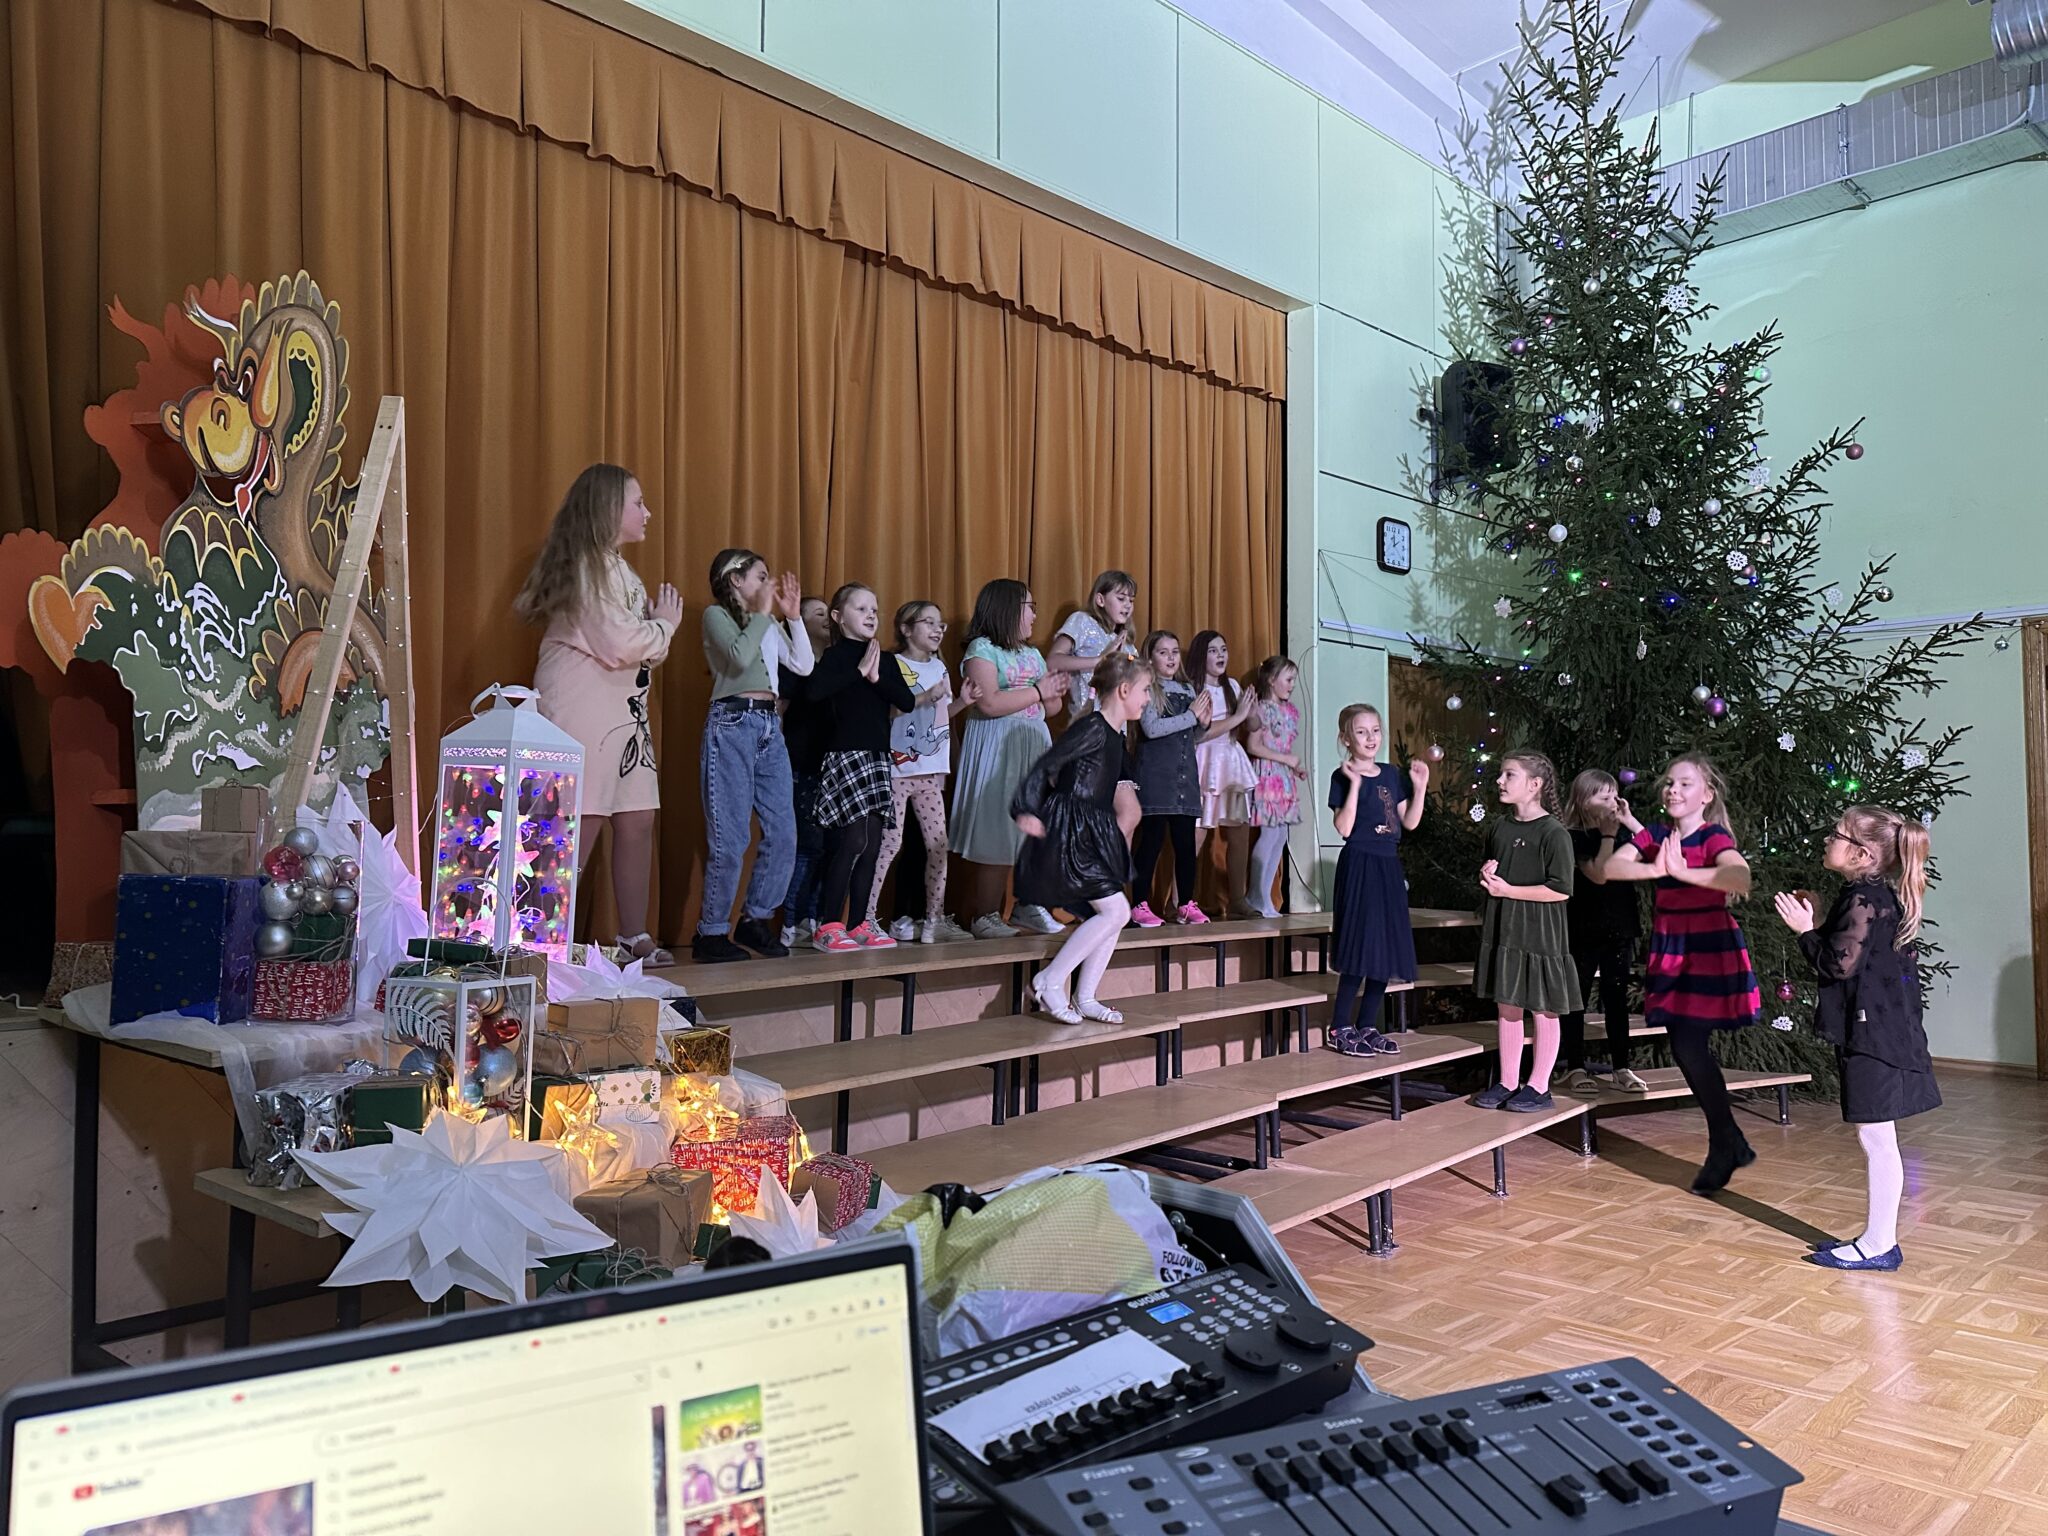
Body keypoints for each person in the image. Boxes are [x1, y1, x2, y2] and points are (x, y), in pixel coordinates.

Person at [516, 464, 684, 966]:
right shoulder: (586, 567)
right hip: (583, 704)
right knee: (580, 817)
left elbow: (642, 648)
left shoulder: (619, 569)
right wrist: (663, 626)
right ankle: (539, 936)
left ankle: (634, 935)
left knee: (637, 816)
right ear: (609, 509)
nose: (647, 513)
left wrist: (654, 633)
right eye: (638, 503)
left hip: (624, 713)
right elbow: (621, 643)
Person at [1777, 805, 1940, 1272]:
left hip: (1876, 1036)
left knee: (1877, 1138)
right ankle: (1877, 1238)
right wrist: (1818, 925)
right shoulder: (1866, 894)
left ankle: (1880, 1244)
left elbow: (1838, 964)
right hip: (1878, 1030)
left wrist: (1805, 932)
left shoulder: (1865, 898)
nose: (1828, 840)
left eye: (1836, 834)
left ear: (1862, 854)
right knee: (1876, 1137)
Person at [1603, 754, 1763, 1193]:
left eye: (1685, 784)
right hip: (1672, 947)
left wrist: (1684, 873)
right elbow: (1611, 868)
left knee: (1689, 1046)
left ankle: (1725, 1143)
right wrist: (1655, 868)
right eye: (1669, 783)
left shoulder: (1713, 836)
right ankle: (1728, 1140)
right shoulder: (1657, 835)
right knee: (1685, 1046)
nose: (1673, 790)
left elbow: (1739, 877)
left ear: (1707, 795)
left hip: (1706, 950)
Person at [1013, 653, 1151, 1023]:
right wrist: (1025, 808)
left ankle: (1085, 996)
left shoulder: (1113, 735)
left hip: (1090, 832)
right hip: (1070, 832)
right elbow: (1047, 763)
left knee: (1116, 913)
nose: (1148, 699)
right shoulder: (1093, 727)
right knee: (1116, 911)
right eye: (1145, 690)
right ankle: (1049, 980)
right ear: (1124, 690)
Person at [695, 548, 804, 962]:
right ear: (735, 579)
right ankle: (711, 932)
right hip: (732, 723)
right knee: (731, 836)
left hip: (769, 724)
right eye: (761, 576)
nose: (768, 584)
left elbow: (803, 665)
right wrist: (761, 614)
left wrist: (792, 618)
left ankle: (756, 918)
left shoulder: (766, 621)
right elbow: (739, 657)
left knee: (784, 832)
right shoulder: (716, 615)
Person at [805, 583, 917, 952]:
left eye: (874, 609)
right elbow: (814, 693)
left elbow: (906, 701)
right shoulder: (835, 657)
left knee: (872, 844)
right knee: (853, 840)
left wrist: (875, 677)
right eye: (861, 609)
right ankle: (828, 924)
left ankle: (859, 924)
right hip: (846, 756)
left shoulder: (884, 660)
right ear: (838, 617)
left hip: (877, 757)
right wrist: (857, 672)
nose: (871, 615)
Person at [1469, 752, 1582, 1109]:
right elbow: (1498, 873)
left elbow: (1561, 890)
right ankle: (1507, 1081)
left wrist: (1509, 891)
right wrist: (1487, 875)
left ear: (1534, 785)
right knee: (1508, 1004)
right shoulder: (1500, 828)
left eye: (1509, 775)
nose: (1499, 781)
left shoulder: (1554, 833)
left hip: (1541, 932)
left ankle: (1539, 1085)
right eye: (1501, 774)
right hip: (1506, 927)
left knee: (1543, 1008)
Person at [953, 579, 1065, 938]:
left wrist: (1048, 694)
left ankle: (1028, 904)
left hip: (1032, 743)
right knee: (999, 826)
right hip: (999, 744)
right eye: (1030, 607)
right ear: (1008, 609)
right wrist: (1038, 691)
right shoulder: (982, 649)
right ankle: (984, 914)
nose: (1034, 615)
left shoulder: (1032, 654)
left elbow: (1052, 706)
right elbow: (988, 702)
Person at [865, 599, 980, 944]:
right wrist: (926, 697)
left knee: (938, 844)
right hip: (898, 769)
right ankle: (865, 918)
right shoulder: (892, 664)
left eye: (940, 624)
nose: (937, 630)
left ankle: (934, 920)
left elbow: (940, 719)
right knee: (890, 843)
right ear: (905, 628)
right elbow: (887, 713)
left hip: (931, 770)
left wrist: (962, 703)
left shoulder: (940, 667)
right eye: (928, 622)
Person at [1326, 703, 1427, 1056]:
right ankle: (1340, 1026)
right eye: (1361, 731)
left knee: (1385, 946)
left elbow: (1409, 822)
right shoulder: (1342, 775)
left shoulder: (1391, 773)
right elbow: (1344, 828)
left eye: (1375, 730)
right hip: (1360, 862)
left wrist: (1420, 787)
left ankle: (1367, 1024)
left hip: (1388, 865)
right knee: (1361, 944)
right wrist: (1355, 785)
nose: (1370, 737)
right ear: (1346, 739)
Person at [1558, 769, 1650, 1095]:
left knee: (1616, 997)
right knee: (1577, 996)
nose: (1613, 801)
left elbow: (1656, 849)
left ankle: (1621, 1068)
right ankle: (1574, 1066)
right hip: (1584, 926)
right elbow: (1599, 874)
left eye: (1614, 795)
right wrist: (1608, 837)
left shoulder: (1622, 833)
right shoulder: (1574, 836)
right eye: (1604, 796)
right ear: (1584, 801)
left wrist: (1630, 821)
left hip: (1619, 926)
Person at [1129, 630, 1208, 927]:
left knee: (1186, 845)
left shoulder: (1187, 689)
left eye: (1175, 651)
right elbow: (1151, 729)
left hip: (1184, 778)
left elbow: (1192, 736)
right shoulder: (1148, 687)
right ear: (1150, 658)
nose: (1171, 658)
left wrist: (1202, 723)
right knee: (1151, 842)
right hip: (1156, 776)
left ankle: (1185, 903)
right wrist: (1191, 716)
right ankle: (1139, 904)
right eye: (1163, 652)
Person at [1187, 629, 1258, 912]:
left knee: (1239, 831)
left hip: (1232, 765)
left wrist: (1251, 710)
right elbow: (1199, 734)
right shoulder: (1192, 688)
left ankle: (1238, 899)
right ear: (1200, 656)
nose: (1221, 656)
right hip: (1204, 763)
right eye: (1213, 651)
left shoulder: (1233, 686)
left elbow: (1252, 725)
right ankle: (1180, 901)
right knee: (1197, 833)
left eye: (1224, 650)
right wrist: (1238, 717)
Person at [774, 595, 830, 948]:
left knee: (828, 848)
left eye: (828, 612)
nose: (826, 618)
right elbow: (779, 710)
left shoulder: (837, 663)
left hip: (831, 765)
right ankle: (790, 922)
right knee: (807, 846)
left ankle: (815, 919)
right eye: (817, 613)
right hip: (800, 763)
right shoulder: (793, 666)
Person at [1240, 655, 1305, 918]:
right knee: (1269, 834)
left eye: (1293, 680)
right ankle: (1256, 894)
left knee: (1280, 836)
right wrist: (1285, 760)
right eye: (1288, 679)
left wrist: (1294, 767)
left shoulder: (1290, 711)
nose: (1292, 685)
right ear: (1271, 680)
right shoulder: (1262, 709)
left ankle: (1263, 895)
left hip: (1284, 777)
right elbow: (1253, 745)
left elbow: (1283, 745)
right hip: (1267, 776)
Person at [1046, 570, 1139, 719]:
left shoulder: (1125, 641)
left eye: (1131, 600)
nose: (1128, 605)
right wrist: (1099, 660)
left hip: (1117, 723)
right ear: (1100, 600)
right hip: (1086, 719)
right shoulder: (1082, 621)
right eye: (1121, 599)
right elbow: (1053, 661)